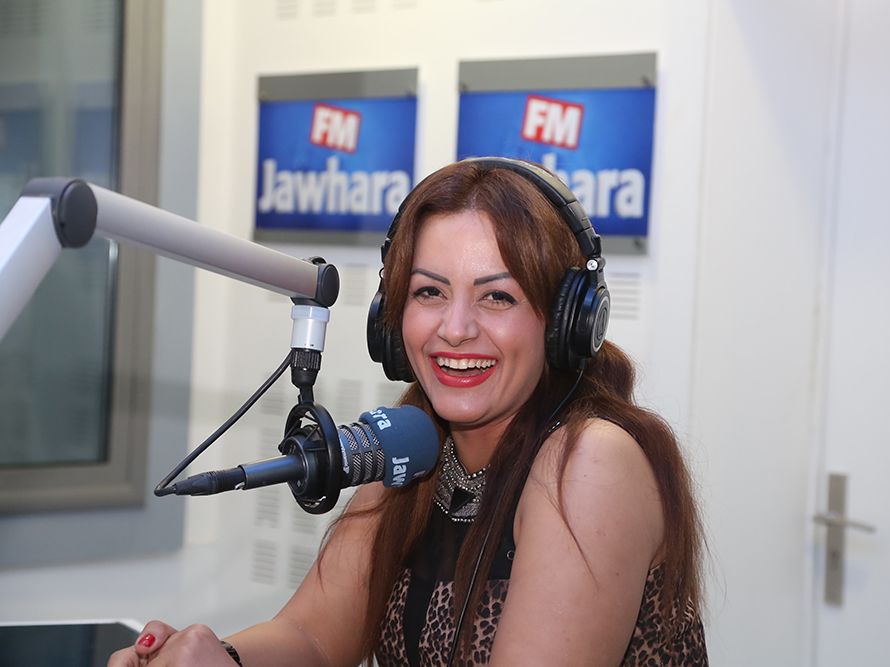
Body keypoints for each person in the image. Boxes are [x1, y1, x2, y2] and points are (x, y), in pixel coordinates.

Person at [109, 157, 707, 666]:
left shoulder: (592, 462)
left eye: (497, 296)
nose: (456, 328)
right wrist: (217, 657)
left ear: (566, 322)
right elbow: (312, 637)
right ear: (392, 320)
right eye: (430, 292)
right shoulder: (415, 445)